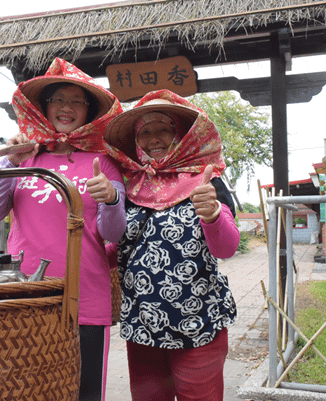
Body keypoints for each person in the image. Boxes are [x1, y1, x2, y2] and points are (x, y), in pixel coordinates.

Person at [0, 58, 126, 401]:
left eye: (78, 101)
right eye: (59, 99)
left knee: (84, 392)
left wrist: (112, 198)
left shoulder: (102, 161)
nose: (67, 108)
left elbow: (114, 234)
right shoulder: (24, 158)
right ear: (44, 107)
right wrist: (8, 162)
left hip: (86, 294)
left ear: (89, 111)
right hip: (24, 293)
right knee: (23, 390)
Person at [103, 89, 240, 401]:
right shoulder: (128, 184)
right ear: (136, 142)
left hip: (199, 325)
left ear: (180, 135)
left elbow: (227, 248)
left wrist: (213, 214)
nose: (155, 139)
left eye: (164, 129)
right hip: (142, 326)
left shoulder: (207, 181)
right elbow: (121, 249)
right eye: (146, 132)